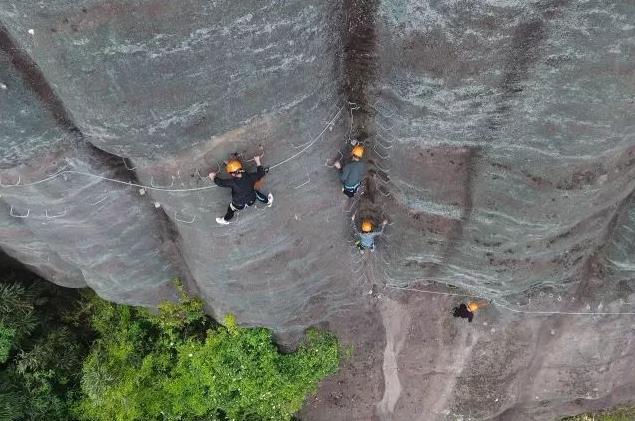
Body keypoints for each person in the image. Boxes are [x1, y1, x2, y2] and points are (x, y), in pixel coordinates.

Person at [209, 154, 273, 225]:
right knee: (256, 193)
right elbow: (261, 173)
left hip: (239, 205)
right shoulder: (250, 177)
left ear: (232, 174)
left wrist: (213, 177)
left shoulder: (232, 182)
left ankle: (225, 220)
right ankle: (268, 202)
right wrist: (257, 161)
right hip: (251, 200)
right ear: (241, 169)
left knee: (231, 209)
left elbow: (220, 183)